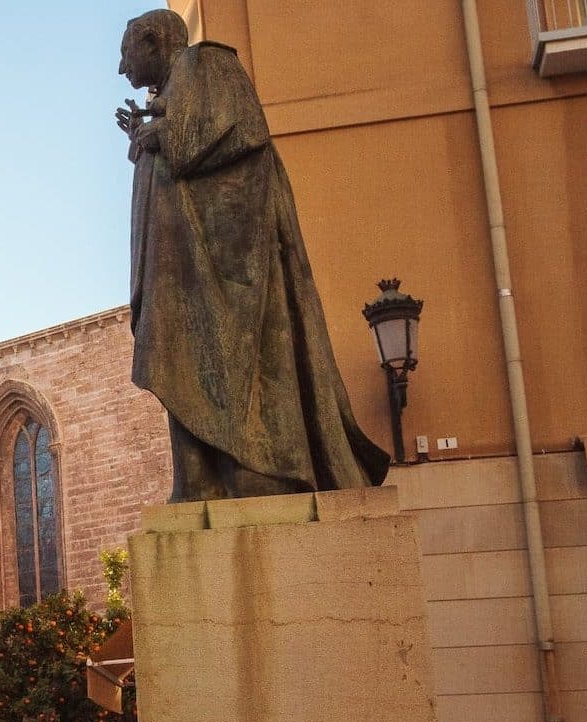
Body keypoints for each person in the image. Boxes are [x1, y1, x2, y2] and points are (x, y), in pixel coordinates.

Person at [117, 8, 388, 503]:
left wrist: (162, 135)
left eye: (125, 52)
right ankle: (196, 480)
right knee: (176, 355)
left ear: (154, 42)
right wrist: (145, 138)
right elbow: (184, 149)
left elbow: (241, 129)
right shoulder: (176, 87)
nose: (122, 69)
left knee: (228, 356)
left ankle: (255, 467)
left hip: (222, 262)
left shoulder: (208, 64)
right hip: (182, 262)